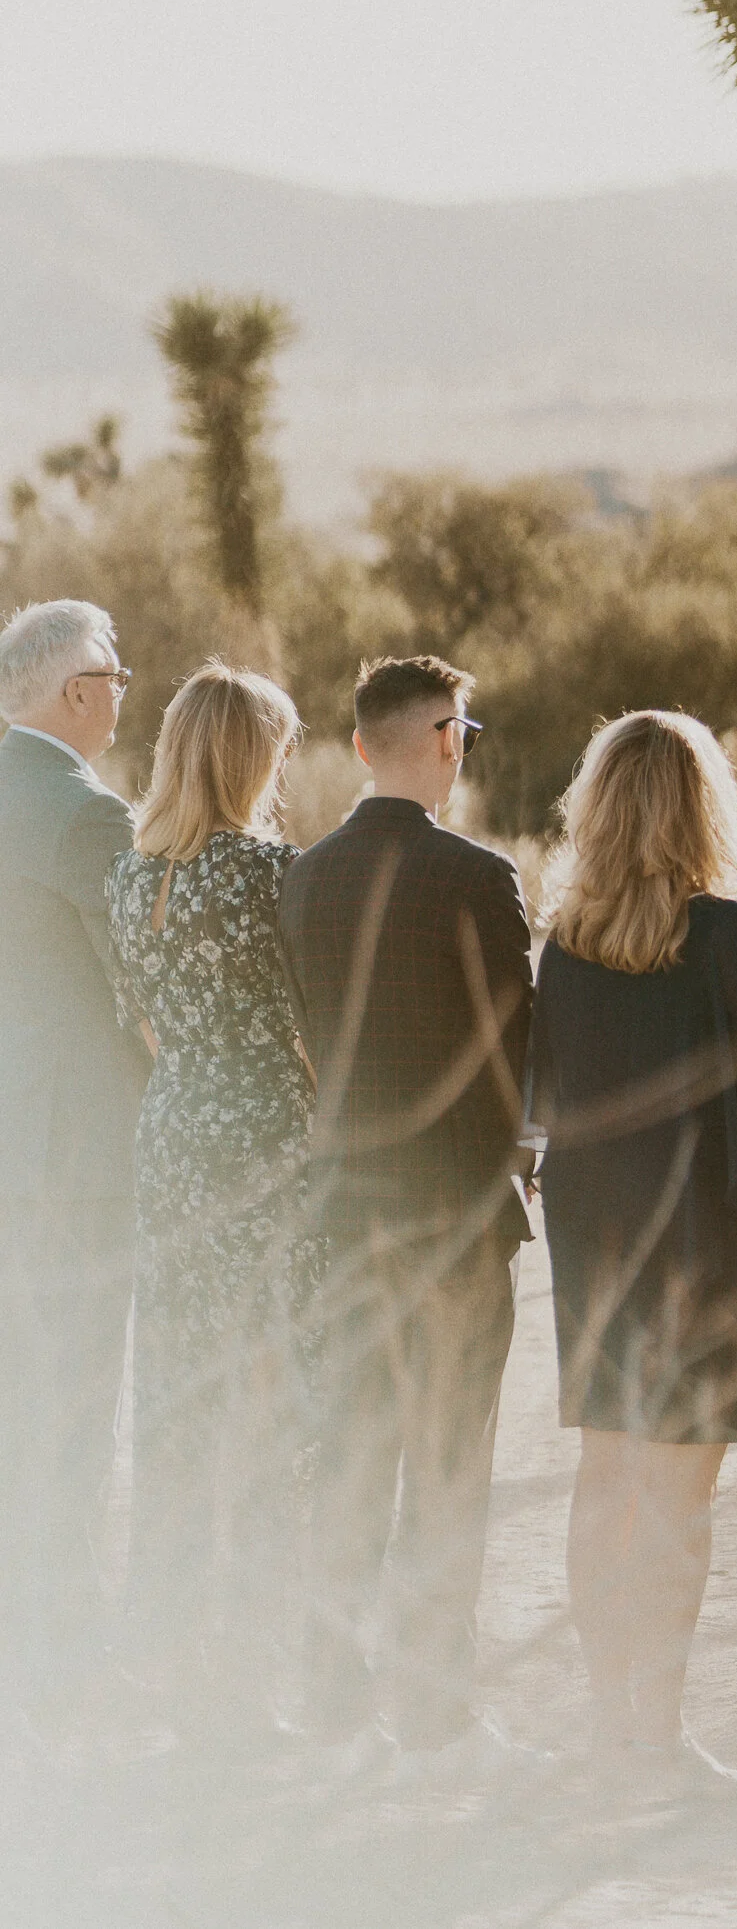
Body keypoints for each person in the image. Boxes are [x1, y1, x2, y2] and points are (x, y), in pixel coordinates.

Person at [530, 711, 737, 1781]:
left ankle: (608, 1723)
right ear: (708, 804)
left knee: (604, 1475)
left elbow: (544, 1100)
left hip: (597, 1237)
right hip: (713, 1238)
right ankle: (658, 1734)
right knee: (677, 1501)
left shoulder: (561, 943)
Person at [278, 654, 534, 1760]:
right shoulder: (479, 879)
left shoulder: (302, 880)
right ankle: (434, 1709)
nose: (464, 752)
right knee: (446, 1464)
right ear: (439, 736)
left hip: (341, 1211)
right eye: (463, 733)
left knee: (349, 1451)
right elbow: (518, 1059)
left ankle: (331, 1698)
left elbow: (308, 1040)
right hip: (458, 1218)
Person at [107, 664, 319, 1715]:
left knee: (181, 1399)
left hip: (175, 1131)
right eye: (278, 750)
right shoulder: (274, 873)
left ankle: (168, 1656)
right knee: (273, 1403)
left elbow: (143, 1024)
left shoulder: (131, 877)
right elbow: (313, 1025)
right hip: (266, 1139)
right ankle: (251, 1668)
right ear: (249, 756)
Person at [0, 599, 141, 1697]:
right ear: (74, 691)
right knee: (77, 1382)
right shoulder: (87, 816)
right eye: (116, 674)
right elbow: (140, 990)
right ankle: (61, 1638)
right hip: (72, 1144)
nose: (126, 690)